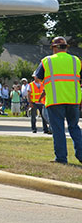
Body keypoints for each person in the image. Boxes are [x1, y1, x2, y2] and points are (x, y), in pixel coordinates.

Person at [34, 36, 82, 164]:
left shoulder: (47, 61)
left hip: (55, 100)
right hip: (73, 100)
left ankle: (61, 158)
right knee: (74, 127)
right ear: (66, 47)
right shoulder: (76, 60)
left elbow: (37, 78)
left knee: (58, 129)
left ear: (54, 48)